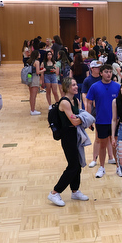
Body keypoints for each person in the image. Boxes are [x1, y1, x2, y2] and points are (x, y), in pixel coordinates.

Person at [48, 78, 90, 206]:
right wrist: (86, 119)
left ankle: (75, 190)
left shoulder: (76, 101)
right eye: (73, 85)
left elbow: (79, 117)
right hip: (67, 136)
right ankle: (55, 192)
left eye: (76, 84)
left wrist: (82, 119)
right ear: (67, 88)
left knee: (77, 164)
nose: (76, 86)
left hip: (76, 134)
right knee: (73, 166)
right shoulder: (65, 103)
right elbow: (75, 121)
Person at [85, 64, 121, 178]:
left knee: (115, 144)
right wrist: (90, 119)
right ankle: (102, 167)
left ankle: (119, 167)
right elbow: (89, 102)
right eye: (106, 71)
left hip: (116, 121)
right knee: (102, 144)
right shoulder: (94, 87)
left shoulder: (117, 86)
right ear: (101, 73)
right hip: (101, 120)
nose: (108, 74)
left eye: (110, 71)